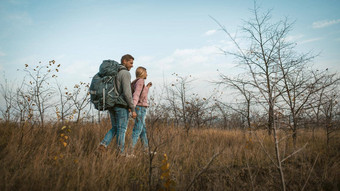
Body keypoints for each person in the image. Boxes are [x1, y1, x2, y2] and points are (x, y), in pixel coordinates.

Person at [98, 54, 137, 154]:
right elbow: (127, 93)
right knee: (122, 129)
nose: (132, 65)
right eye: (131, 63)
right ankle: (121, 153)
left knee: (115, 127)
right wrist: (132, 108)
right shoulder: (125, 73)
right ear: (124, 61)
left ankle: (103, 144)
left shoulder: (113, 72)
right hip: (121, 105)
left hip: (111, 104)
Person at [130, 66, 152, 152]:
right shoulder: (140, 81)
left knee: (143, 130)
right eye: (146, 72)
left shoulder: (138, 82)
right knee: (137, 130)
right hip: (140, 108)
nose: (147, 74)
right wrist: (133, 108)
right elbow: (136, 95)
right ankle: (129, 151)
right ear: (142, 73)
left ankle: (146, 150)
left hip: (140, 107)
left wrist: (146, 87)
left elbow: (140, 93)